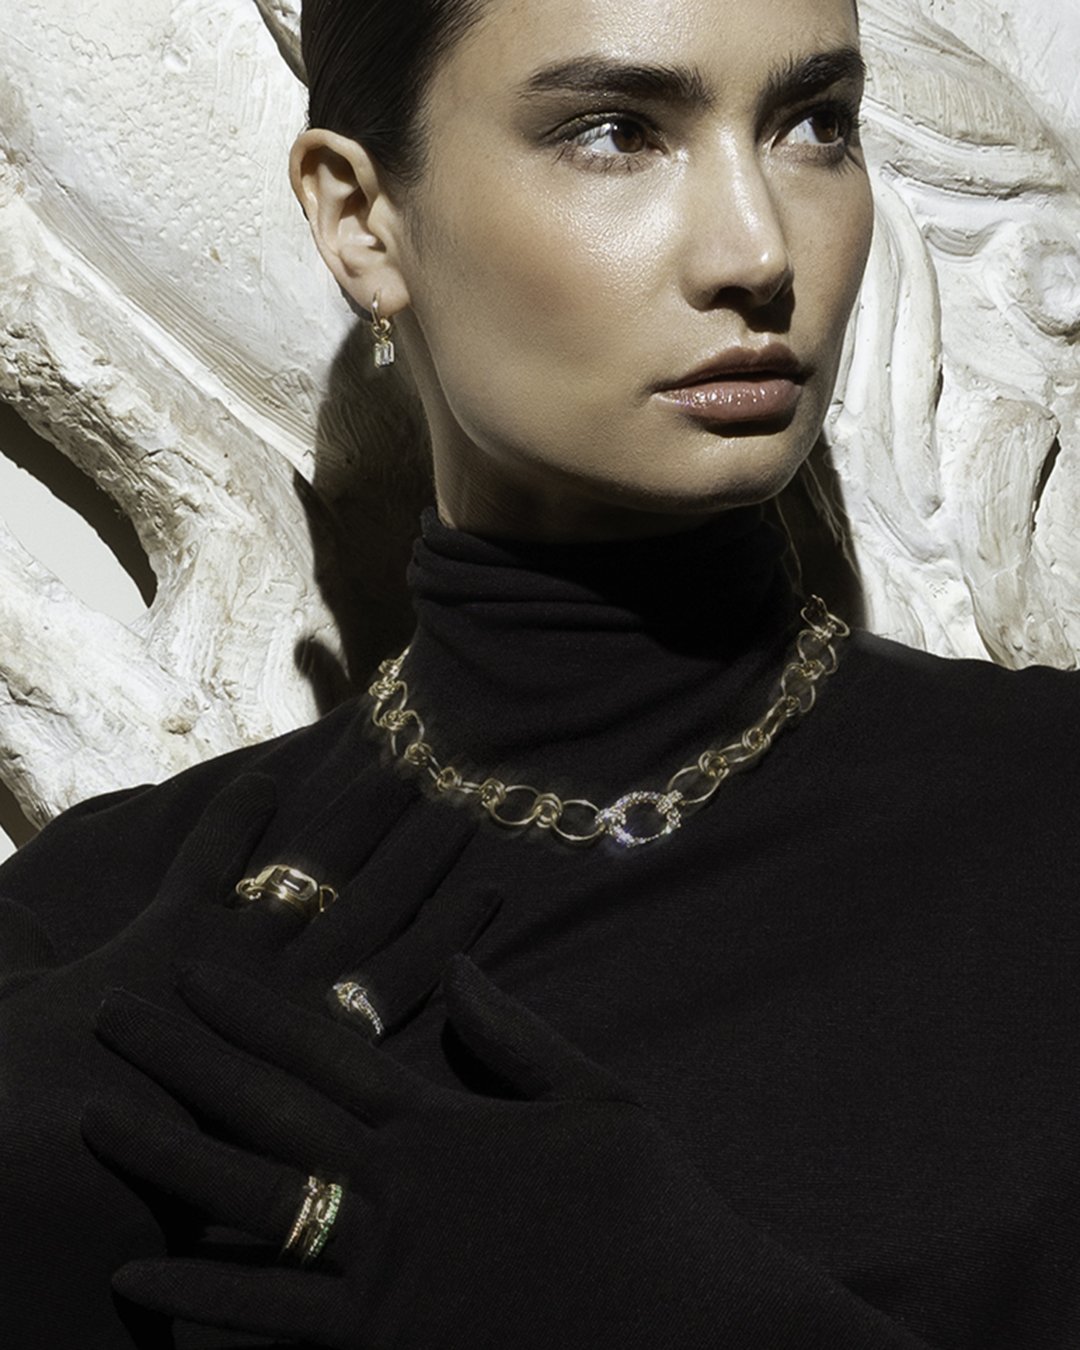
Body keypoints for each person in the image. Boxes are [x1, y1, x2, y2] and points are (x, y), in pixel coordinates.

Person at [1, 0, 1077, 1346]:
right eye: (617, 133)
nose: (759, 250)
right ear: (362, 221)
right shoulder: (106, 930)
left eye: (813, 125)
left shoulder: (1053, 816)